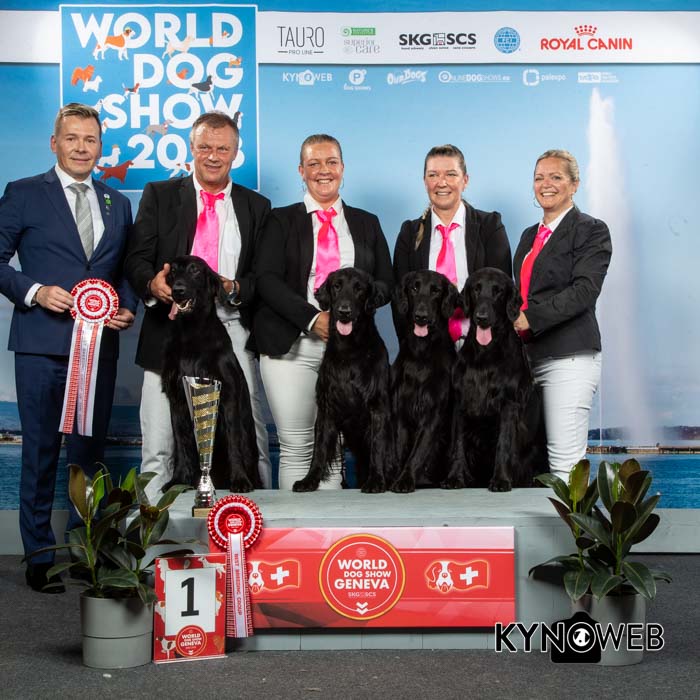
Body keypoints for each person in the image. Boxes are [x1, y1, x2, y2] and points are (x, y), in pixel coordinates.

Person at [0, 103, 137, 593]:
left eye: (90, 139)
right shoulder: (22, 193)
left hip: (99, 348)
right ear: (54, 143)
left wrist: (126, 305)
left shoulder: (116, 202)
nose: (82, 147)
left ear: (101, 147)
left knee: (89, 455)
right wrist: (35, 291)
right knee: (39, 453)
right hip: (40, 344)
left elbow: (125, 269)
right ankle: (39, 556)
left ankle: (85, 551)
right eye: (72, 138)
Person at [124, 111, 272, 500]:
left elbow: (263, 276)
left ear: (236, 153)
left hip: (230, 326)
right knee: (159, 441)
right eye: (205, 147)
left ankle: (255, 520)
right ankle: (154, 529)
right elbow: (136, 259)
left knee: (251, 434)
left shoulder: (256, 206)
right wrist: (152, 283)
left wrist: (235, 287)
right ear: (191, 148)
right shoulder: (159, 195)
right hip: (169, 327)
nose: (213, 156)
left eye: (222, 148)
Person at [252, 134, 393, 490]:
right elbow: (266, 279)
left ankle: (331, 526)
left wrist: (354, 313)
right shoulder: (280, 220)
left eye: (331, 162)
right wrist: (313, 319)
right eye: (313, 164)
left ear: (342, 168)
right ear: (301, 171)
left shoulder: (367, 222)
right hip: (292, 344)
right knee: (298, 446)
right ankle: (297, 526)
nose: (323, 170)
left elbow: (385, 283)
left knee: (339, 448)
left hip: (354, 351)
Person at [513, 149, 612, 481]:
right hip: (528, 360)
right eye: (539, 177)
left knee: (564, 467)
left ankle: (575, 519)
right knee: (532, 462)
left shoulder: (591, 230)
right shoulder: (528, 236)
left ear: (574, 184)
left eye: (556, 177)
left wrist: (530, 318)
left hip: (569, 357)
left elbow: (584, 290)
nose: (546, 184)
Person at [393, 144, 512, 341]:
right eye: (433, 175)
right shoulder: (409, 233)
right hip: (428, 347)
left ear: (465, 180)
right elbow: (400, 300)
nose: (442, 183)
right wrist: (412, 347)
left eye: (451, 174)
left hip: (478, 345)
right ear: (425, 181)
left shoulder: (490, 226)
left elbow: (502, 291)